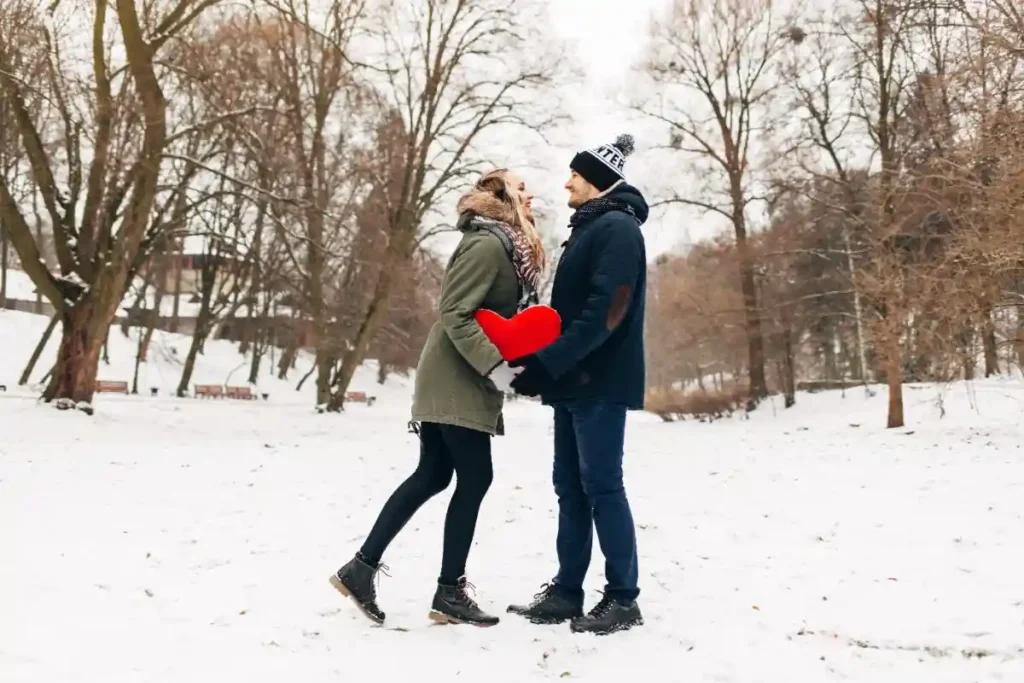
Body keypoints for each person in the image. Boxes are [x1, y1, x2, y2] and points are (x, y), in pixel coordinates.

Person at [330, 169, 545, 627]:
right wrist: (495, 366)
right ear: (504, 197)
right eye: (523, 188)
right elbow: (454, 313)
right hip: (456, 375)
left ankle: (361, 569)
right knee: (475, 476)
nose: (532, 195)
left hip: (459, 373)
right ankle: (448, 591)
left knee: (432, 475)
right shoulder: (488, 244)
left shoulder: (505, 245)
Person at [505, 134, 649, 635]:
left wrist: (548, 364)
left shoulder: (617, 229)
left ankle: (623, 598)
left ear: (598, 182)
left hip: (601, 381)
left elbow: (605, 313)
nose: (566, 181)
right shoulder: (589, 229)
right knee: (570, 487)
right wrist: (543, 362)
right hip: (575, 381)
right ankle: (568, 592)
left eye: (575, 174)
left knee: (603, 485)